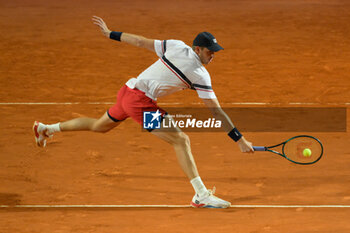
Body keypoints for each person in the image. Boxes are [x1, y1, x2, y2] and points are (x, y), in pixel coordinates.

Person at [33, 16, 254, 209]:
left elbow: (140, 41)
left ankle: (46, 129)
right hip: (139, 101)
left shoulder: (176, 45)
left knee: (98, 126)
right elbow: (216, 112)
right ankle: (201, 195)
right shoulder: (200, 75)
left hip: (128, 91)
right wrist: (239, 139)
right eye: (209, 51)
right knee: (181, 140)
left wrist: (111, 34)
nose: (213, 55)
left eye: (214, 52)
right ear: (197, 49)